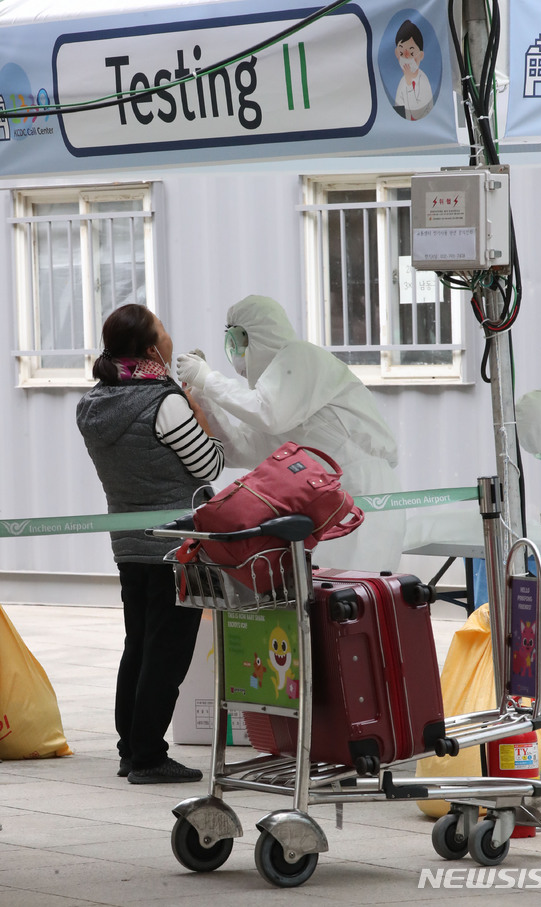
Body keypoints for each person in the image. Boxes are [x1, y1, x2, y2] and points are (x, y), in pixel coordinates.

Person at [76, 304, 224, 784]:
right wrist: (206, 424)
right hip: (175, 546)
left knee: (138, 645)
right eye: (163, 328)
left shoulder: (96, 403)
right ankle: (148, 756)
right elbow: (210, 468)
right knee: (168, 652)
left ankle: (130, 748)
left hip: (128, 543)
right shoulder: (166, 403)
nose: (170, 333)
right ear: (150, 347)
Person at [176, 294, 405, 573]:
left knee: (355, 591)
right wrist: (204, 397)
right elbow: (240, 450)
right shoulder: (267, 394)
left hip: (364, 491)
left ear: (261, 335)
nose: (237, 352)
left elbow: (269, 415)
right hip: (322, 501)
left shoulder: (302, 357)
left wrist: (209, 380)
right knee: (323, 595)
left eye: (240, 341)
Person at [393, 19, 433, 121]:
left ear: (421, 55)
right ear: (397, 54)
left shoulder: (423, 80)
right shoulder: (402, 82)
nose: (406, 58)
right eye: (402, 53)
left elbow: (416, 114)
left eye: (411, 53)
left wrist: (409, 83)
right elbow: (398, 112)